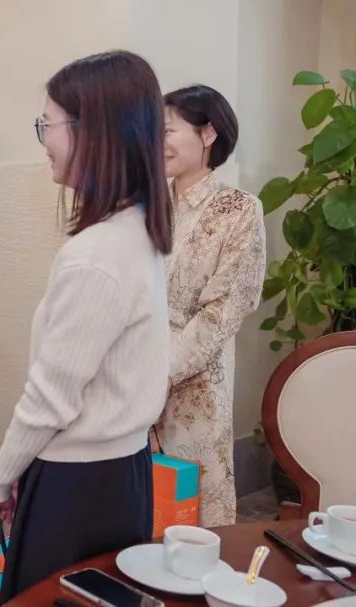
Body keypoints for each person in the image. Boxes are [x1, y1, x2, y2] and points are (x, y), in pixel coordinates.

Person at [0, 50, 173, 604]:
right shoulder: (138, 232)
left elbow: (49, 399)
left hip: (77, 487)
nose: (44, 141)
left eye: (48, 125)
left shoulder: (96, 255)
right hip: (122, 473)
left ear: (92, 132)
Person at [159, 84, 266, 527]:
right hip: (128, 387)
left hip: (194, 392)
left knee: (192, 521)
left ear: (208, 134)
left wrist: (158, 376)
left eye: (168, 130)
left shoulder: (239, 209)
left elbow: (223, 311)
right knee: (137, 523)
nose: (157, 141)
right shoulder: (146, 207)